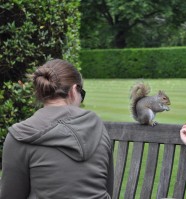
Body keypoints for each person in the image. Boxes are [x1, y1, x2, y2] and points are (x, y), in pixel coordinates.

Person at [0, 59, 114, 198]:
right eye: (81, 94)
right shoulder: (97, 127)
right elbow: (107, 188)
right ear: (73, 90)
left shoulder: (19, 136)